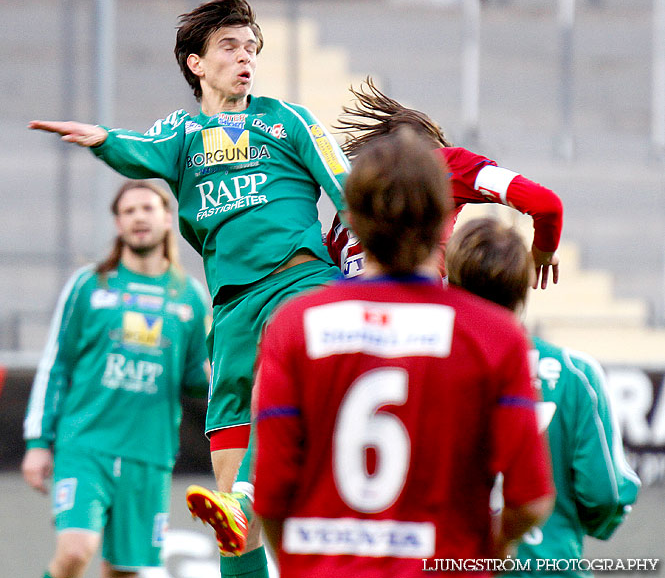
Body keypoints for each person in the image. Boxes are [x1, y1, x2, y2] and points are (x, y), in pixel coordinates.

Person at [28, 0, 350, 578]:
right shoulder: (183, 133)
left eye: (251, 47)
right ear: (196, 64)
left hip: (300, 285)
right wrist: (101, 138)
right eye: (230, 46)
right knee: (230, 510)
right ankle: (240, 501)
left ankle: (248, 494)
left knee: (263, 422)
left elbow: (347, 188)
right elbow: (141, 152)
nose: (245, 58)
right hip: (230, 311)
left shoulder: (289, 119)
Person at [252, 128, 554, 577]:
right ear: (444, 216)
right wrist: (485, 549)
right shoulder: (495, 337)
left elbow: (271, 494)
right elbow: (530, 501)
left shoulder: (293, 326)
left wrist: (304, 563)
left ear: (351, 215)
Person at [22, 179, 211, 578]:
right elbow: (56, 363)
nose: (139, 217)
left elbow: (196, 378)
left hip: (149, 453)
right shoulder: (89, 285)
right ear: (117, 223)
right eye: (129, 211)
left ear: (166, 218)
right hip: (86, 445)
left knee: (124, 571)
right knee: (76, 550)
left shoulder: (190, 297)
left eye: (148, 208)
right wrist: (39, 442)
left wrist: (236, 373)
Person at [446, 217, 641, 578]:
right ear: (524, 287)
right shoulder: (576, 373)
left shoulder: (430, 370)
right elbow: (606, 493)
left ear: (452, 284)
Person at [327, 78, 562, 288]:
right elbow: (545, 204)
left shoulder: (353, 199)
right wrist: (542, 253)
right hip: (424, 314)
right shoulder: (446, 163)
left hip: (355, 318)